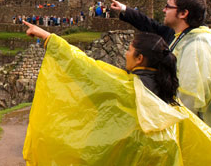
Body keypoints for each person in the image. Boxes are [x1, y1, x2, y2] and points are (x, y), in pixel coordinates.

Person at [21, 21, 211, 165]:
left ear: (139, 58)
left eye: (129, 50)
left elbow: (83, 67)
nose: (125, 54)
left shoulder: (123, 88)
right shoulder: (172, 105)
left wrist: (48, 38)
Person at [109, 0, 211, 125]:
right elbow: (151, 25)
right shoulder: (180, 35)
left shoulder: (196, 45)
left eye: (168, 7)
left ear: (183, 13)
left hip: (193, 129)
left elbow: (189, 97)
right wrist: (125, 10)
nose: (164, 10)